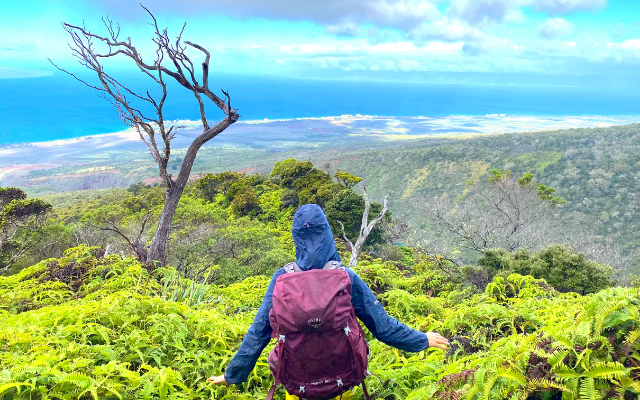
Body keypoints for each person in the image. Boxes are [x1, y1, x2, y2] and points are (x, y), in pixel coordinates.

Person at [209, 204, 449, 398]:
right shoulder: (346, 277)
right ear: (327, 234)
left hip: (297, 383)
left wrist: (233, 375)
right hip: (343, 381)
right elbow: (383, 328)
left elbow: (258, 333)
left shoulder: (282, 279)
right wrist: (421, 339)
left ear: (296, 237)